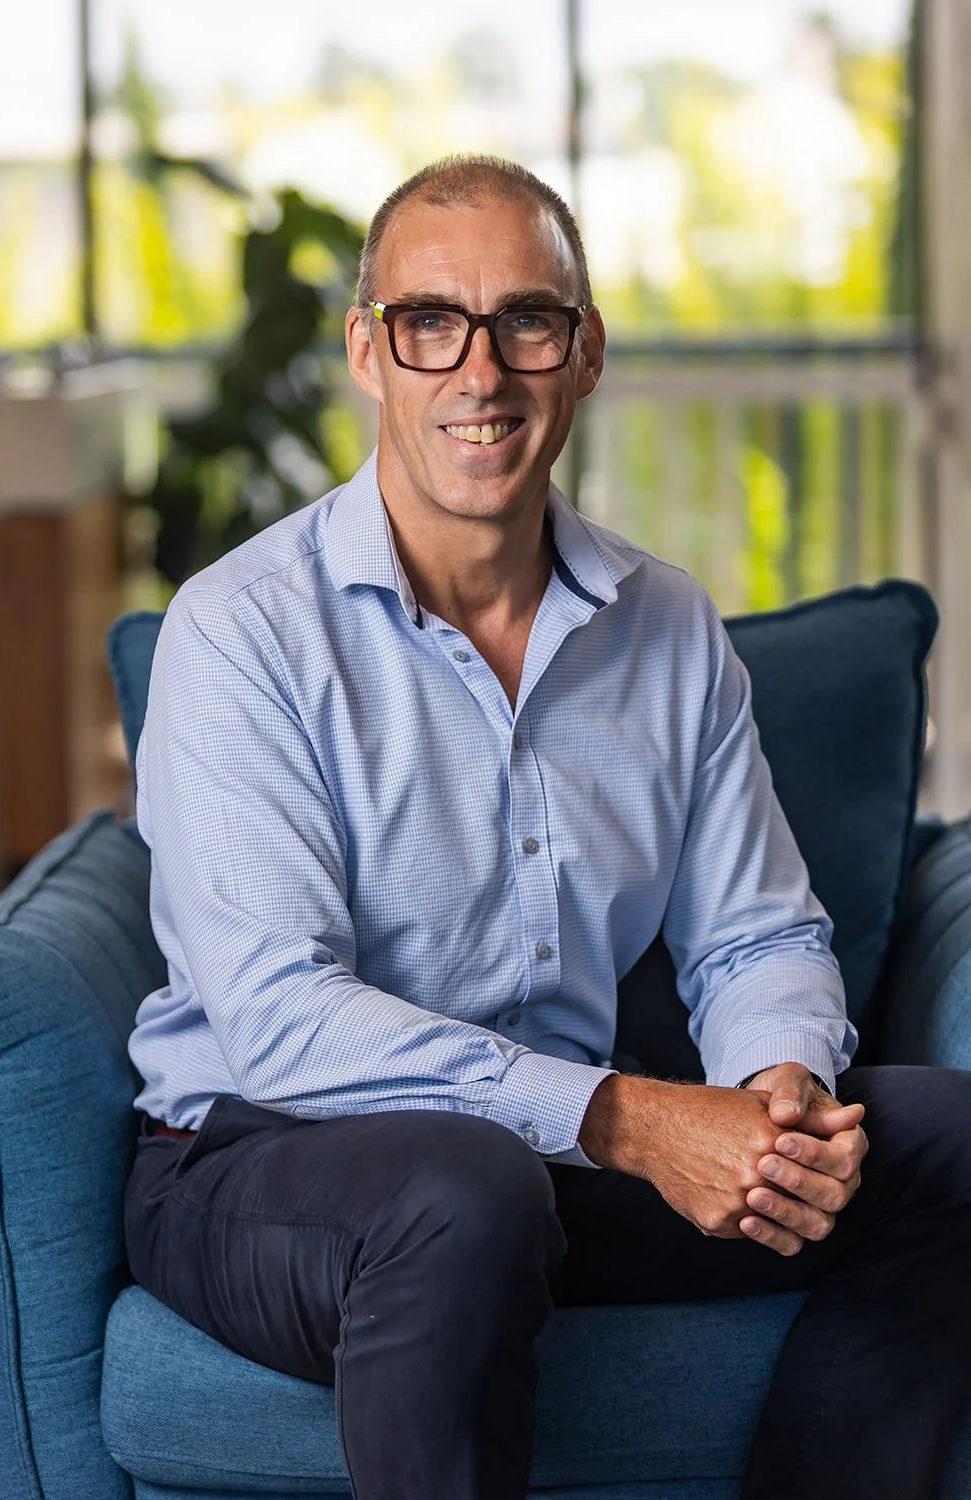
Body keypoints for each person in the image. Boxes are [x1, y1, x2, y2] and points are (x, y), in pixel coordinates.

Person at [124, 155, 971, 1500]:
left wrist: (778, 1094)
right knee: (467, 1188)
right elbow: (279, 1018)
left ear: (583, 355)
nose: (481, 371)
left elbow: (756, 931)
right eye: (430, 323)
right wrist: (634, 1122)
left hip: (553, 1164)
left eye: (529, 320)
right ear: (369, 351)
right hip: (261, 1162)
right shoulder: (244, 633)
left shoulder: (667, 625)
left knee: (944, 1142)